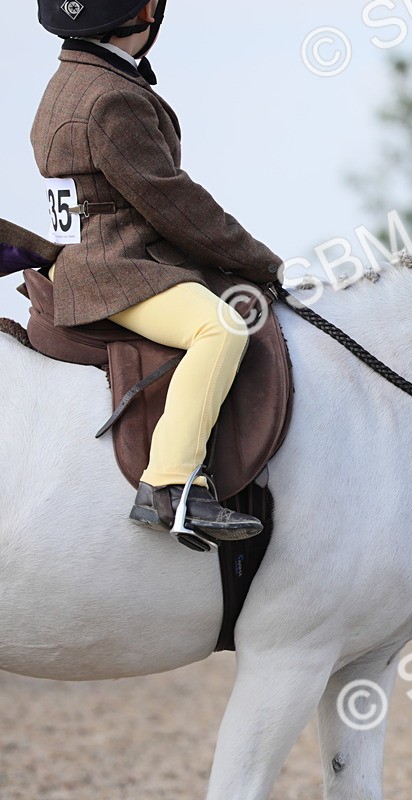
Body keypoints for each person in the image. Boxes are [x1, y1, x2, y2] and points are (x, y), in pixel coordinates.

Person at [32, 0, 277, 544]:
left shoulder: (68, 79)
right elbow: (172, 202)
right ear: (145, 13)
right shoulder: (111, 97)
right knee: (220, 327)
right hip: (114, 267)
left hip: (88, 256)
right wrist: (259, 260)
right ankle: (170, 483)